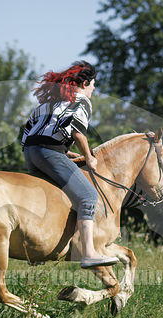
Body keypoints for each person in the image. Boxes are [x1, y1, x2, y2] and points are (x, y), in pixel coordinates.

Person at [22, 61, 119, 269]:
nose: (93, 89)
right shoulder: (81, 100)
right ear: (84, 83)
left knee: (52, 194)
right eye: (93, 84)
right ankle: (89, 253)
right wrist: (89, 157)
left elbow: (29, 131)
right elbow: (76, 131)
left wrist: (64, 152)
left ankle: (40, 248)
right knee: (89, 196)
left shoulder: (49, 103)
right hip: (48, 152)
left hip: (30, 152)